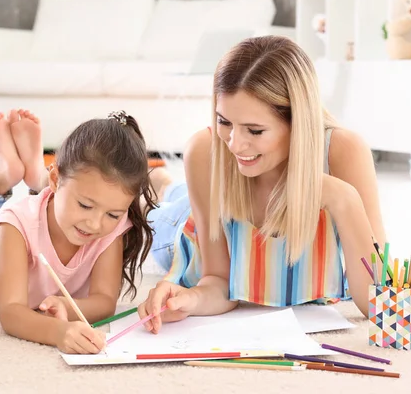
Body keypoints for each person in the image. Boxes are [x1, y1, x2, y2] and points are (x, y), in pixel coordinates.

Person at [139, 35, 387, 333]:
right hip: (182, 229)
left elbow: (379, 302)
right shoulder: (207, 151)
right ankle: (158, 182)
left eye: (254, 131)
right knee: (156, 214)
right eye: (224, 122)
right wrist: (191, 299)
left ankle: (164, 181)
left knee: (176, 191)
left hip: (222, 199)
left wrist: (342, 197)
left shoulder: (343, 151)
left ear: (298, 122)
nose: (234, 144)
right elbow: (218, 279)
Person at [0, 109, 156, 354]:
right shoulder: (15, 226)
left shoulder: (109, 231)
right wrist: (58, 331)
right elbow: (11, 312)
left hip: (24, 216)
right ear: (56, 180)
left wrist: (65, 306)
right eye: (85, 205)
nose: (95, 224)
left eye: (113, 214)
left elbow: (104, 301)